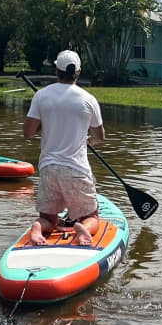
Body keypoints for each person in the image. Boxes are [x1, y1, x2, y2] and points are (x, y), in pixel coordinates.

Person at [23, 49, 104, 246]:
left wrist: (46, 121)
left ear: (56, 70)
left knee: (49, 218)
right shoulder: (88, 99)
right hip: (76, 169)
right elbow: (100, 136)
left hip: (49, 168)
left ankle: (38, 227)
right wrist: (89, 141)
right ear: (78, 72)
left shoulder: (41, 96)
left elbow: (28, 133)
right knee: (92, 216)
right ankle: (84, 227)